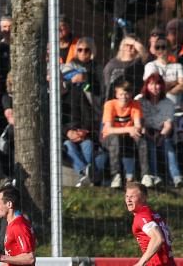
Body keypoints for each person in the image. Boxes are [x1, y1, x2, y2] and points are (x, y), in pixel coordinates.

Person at [61, 38, 99, 186]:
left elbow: (87, 112)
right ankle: (86, 173)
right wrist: (69, 132)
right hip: (67, 134)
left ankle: (87, 175)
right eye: (80, 50)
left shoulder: (79, 93)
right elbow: (59, 121)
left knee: (88, 145)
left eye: (87, 50)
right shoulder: (61, 97)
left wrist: (84, 131)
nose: (83, 53)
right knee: (69, 146)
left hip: (85, 129)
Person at [101, 79, 150, 188]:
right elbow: (108, 129)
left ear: (131, 94)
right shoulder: (110, 105)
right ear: (116, 94)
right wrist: (129, 129)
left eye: (127, 93)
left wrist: (138, 129)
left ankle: (145, 175)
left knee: (141, 139)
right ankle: (116, 175)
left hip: (128, 136)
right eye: (121, 94)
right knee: (114, 139)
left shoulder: (135, 104)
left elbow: (137, 124)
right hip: (109, 138)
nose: (124, 96)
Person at [139, 73, 181, 187]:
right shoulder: (140, 101)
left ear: (162, 86)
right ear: (146, 85)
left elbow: (168, 124)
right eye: (151, 84)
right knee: (150, 147)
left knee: (167, 145)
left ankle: (177, 177)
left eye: (157, 84)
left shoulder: (168, 103)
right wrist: (149, 135)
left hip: (162, 131)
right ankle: (154, 176)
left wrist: (161, 136)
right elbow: (139, 122)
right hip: (145, 131)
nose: (154, 87)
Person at [144, 34, 183, 104]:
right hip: (156, 105)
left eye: (163, 47)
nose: (160, 50)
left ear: (170, 49)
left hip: (176, 106)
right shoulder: (150, 65)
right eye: (157, 47)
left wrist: (166, 92)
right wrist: (175, 82)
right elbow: (152, 86)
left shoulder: (178, 66)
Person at [102, 35, 146, 101]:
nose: (129, 48)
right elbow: (106, 85)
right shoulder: (112, 64)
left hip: (132, 102)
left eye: (133, 46)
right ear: (122, 46)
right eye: (127, 45)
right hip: (113, 102)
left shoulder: (138, 63)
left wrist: (133, 42)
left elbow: (143, 52)